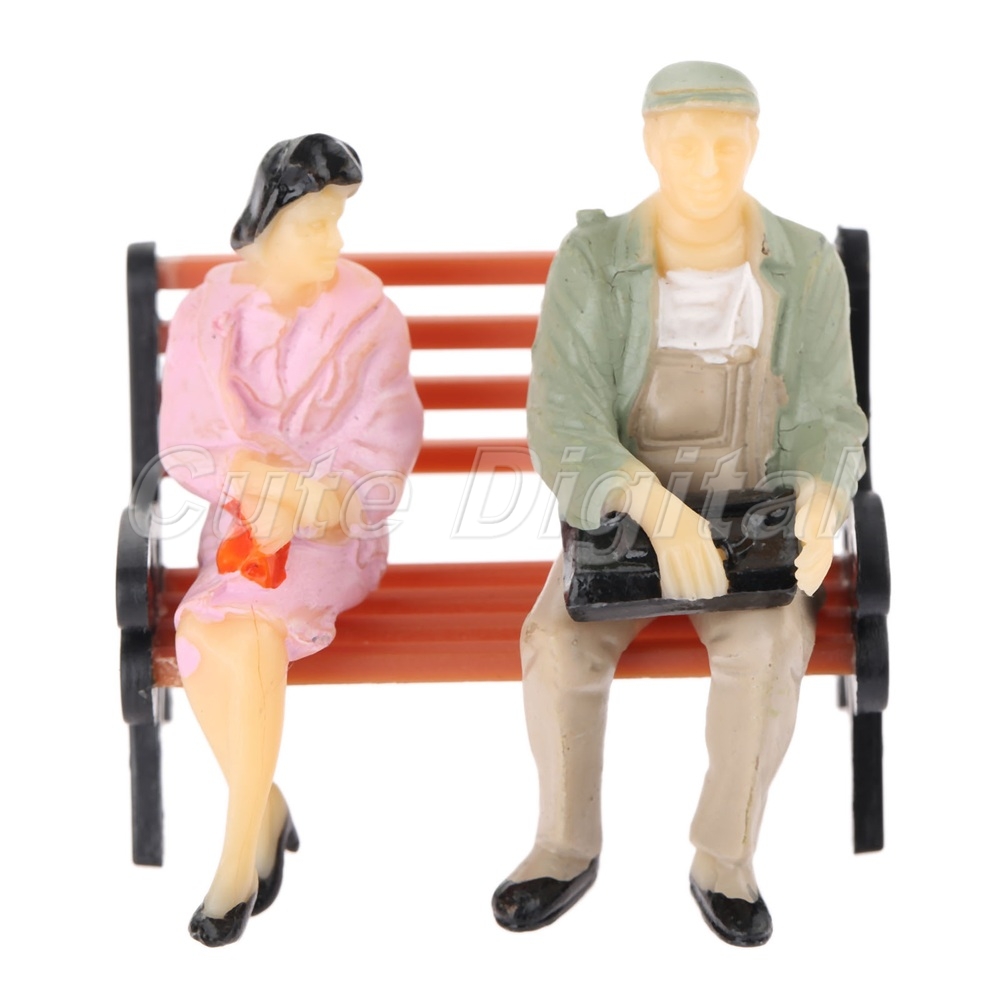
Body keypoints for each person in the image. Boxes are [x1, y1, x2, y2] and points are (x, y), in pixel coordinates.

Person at [491, 63, 867, 946]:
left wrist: (817, 500)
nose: (707, 163)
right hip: (627, 513)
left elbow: (829, 413)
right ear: (651, 143)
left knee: (767, 648)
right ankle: (564, 843)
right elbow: (563, 417)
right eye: (686, 142)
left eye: (727, 142)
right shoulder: (594, 261)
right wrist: (654, 512)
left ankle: (724, 856)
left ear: (756, 142)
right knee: (557, 644)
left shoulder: (806, 262)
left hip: (756, 515)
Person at [159, 134, 423, 947]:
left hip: (334, 537)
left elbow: (387, 437)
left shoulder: (370, 318)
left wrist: (313, 497)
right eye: (315, 223)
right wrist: (254, 483)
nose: (334, 240)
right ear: (268, 221)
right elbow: (186, 440)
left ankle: (237, 856)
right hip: (239, 530)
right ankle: (264, 807)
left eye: (339, 220)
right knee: (207, 627)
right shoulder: (207, 318)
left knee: (243, 627)